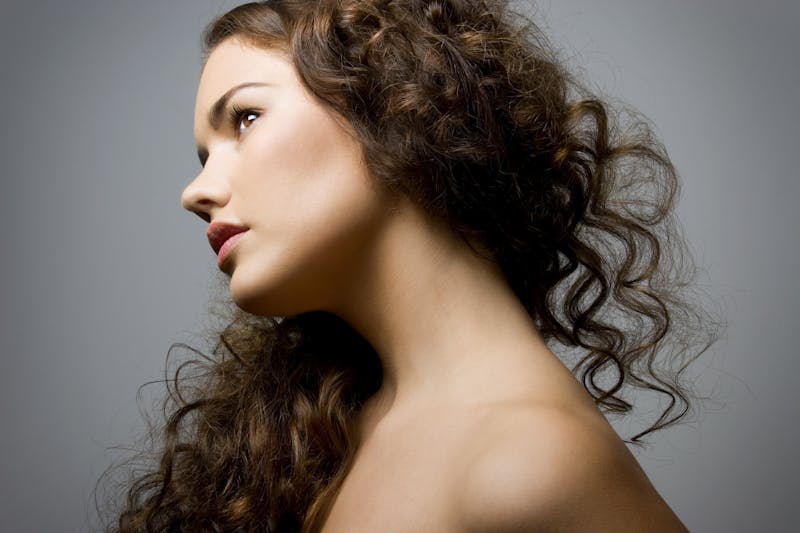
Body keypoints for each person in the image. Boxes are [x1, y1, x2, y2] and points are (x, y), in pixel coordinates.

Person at [113, 1, 719, 531]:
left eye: (245, 119)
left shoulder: (531, 461)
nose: (194, 192)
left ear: (396, 105)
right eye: (204, 153)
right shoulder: (327, 431)